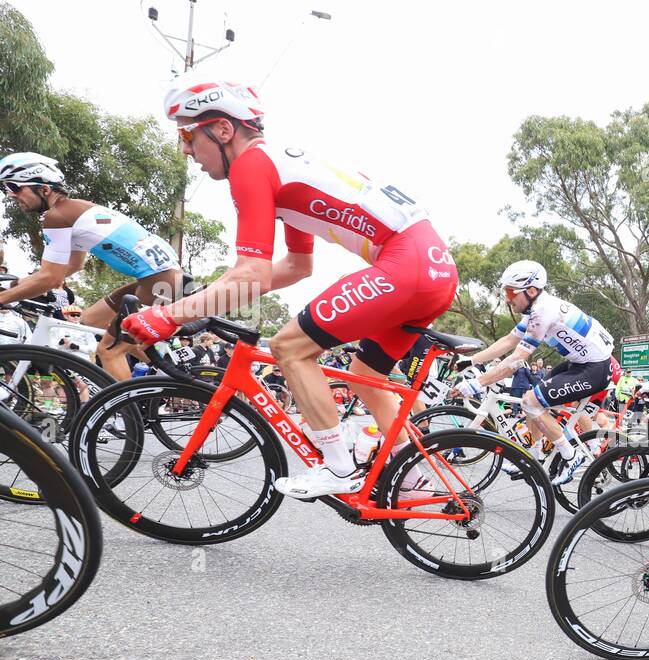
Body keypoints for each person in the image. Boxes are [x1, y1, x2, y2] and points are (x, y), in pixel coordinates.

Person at [123, 77, 457, 499]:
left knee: (290, 347)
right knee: (365, 373)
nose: (186, 150)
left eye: (188, 135)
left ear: (223, 131)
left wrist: (167, 314)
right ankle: (411, 474)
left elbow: (251, 275)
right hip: (432, 267)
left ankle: (338, 468)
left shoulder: (251, 167)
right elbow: (297, 267)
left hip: (406, 262)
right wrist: (201, 304)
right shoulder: (279, 165)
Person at [0, 151, 184, 379]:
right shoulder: (76, 209)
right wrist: (17, 284)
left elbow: (51, 279)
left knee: (108, 351)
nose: (10, 194)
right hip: (162, 280)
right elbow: (73, 265)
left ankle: (126, 412)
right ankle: (170, 374)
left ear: (44, 189)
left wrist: (4, 298)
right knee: (90, 320)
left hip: (159, 284)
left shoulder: (56, 216)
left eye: (15, 187)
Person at [455, 260, 614, 486]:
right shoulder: (534, 310)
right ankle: (536, 455)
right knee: (531, 396)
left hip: (595, 368)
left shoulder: (542, 311)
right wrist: (471, 360)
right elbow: (508, 341)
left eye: (511, 292)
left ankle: (571, 455)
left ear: (531, 291)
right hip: (579, 363)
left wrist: (477, 383)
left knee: (531, 402)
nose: (508, 298)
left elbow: (518, 358)